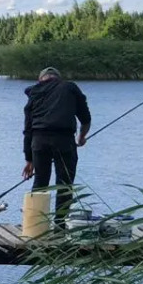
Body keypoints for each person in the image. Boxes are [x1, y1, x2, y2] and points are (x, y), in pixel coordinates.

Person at [21, 66, 91, 223]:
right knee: (64, 184)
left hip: (39, 141)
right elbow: (86, 119)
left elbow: (28, 130)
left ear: (41, 79)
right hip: (64, 140)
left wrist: (29, 159)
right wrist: (81, 137)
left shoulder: (34, 93)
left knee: (40, 182)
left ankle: (35, 226)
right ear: (58, 78)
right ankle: (60, 225)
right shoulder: (70, 88)